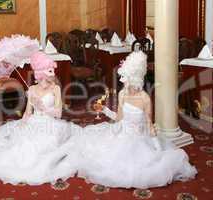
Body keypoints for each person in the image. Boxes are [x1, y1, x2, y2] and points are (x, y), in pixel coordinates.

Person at [76, 51, 197, 189]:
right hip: (122, 134)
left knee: (147, 165)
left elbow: (149, 124)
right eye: (124, 80)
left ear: (136, 80)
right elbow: (119, 119)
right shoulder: (122, 94)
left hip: (140, 137)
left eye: (126, 80)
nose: (125, 84)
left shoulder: (145, 98)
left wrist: (156, 146)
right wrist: (104, 110)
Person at [0, 52, 80, 185]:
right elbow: (27, 113)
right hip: (34, 121)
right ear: (40, 75)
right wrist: (24, 123)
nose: (50, 78)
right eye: (47, 75)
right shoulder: (31, 89)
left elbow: (59, 114)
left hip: (51, 123)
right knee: (23, 143)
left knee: (47, 142)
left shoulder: (55, 89)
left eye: (51, 74)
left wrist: (44, 108)